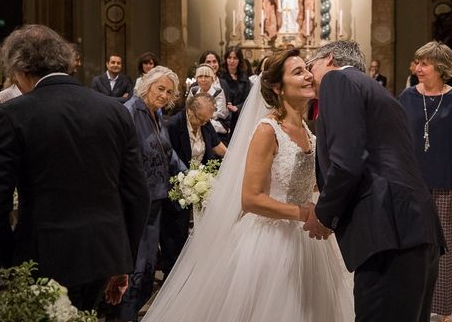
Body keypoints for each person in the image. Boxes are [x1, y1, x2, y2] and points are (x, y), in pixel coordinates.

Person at [142, 49, 354, 321]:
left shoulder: (308, 130)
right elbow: (251, 199)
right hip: (272, 242)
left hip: (308, 240)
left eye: (307, 70)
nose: (308, 76)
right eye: (298, 72)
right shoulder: (268, 130)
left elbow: (309, 184)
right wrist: (303, 213)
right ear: (278, 87)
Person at [0, 24, 150, 311]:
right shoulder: (114, 110)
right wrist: (122, 259)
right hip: (103, 254)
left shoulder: (13, 114)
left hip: (40, 258)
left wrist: (9, 259)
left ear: (20, 68)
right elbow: (138, 195)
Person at [304, 40, 445, 322]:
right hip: (415, 227)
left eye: (311, 67)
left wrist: (324, 214)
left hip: (387, 233)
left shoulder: (337, 79)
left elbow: (347, 161)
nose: (309, 76)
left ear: (329, 59)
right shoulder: (377, 91)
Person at [398, 41, 452, 322]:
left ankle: (443, 310)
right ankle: (411, 303)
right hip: (411, 184)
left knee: (442, 247)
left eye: (424, 63)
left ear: (440, 68)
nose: (418, 68)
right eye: (417, 62)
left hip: (446, 182)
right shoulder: (406, 96)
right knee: (410, 245)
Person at [109, 65, 184, 322]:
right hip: (134, 202)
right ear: (147, 86)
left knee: (149, 264)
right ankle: (122, 316)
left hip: (156, 198)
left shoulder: (156, 113)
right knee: (134, 265)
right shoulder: (129, 111)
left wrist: (189, 176)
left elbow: (167, 152)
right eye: (160, 89)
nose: (164, 95)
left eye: (169, 91)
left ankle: (133, 312)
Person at [162, 92, 227, 276]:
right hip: (177, 184)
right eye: (201, 119)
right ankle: (172, 274)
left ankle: (196, 271)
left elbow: (216, 145)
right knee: (176, 233)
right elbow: (168, 159)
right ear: (189, 110)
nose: (204, 123)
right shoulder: (173, 126)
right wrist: (185, 180)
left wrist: (235, 158)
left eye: (208, 120)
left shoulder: (205, 123)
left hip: (200, 182)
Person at [188, 63, 230, 140]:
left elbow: (219, 113)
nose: (203, 79)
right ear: (196, 79)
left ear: (212, 78)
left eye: (206, 76)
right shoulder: (193, 90)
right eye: (200, 76)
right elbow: (188, 109)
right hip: (196, 124)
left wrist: (199, 116)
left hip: (215, 125)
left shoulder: (218, 91)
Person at [219, 46, 252, 143]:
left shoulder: (244, 77)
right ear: (226, 59)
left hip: (240, 117)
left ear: (239, 60)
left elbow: (248, 99)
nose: (232, 61)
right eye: (229, 57)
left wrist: (237, 108)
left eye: (235, 58)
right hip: (224, 118)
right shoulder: (220, 76)